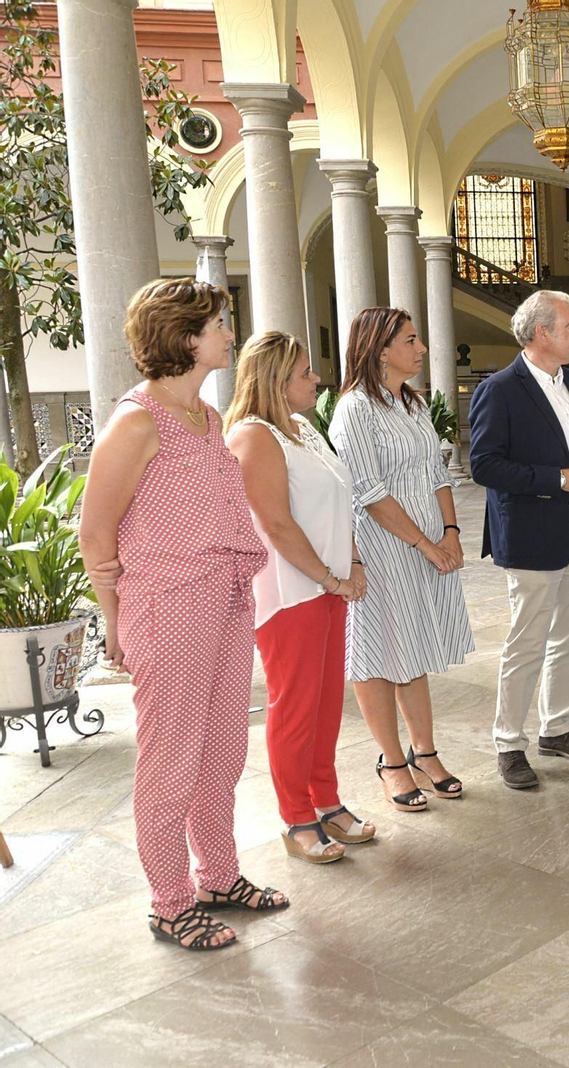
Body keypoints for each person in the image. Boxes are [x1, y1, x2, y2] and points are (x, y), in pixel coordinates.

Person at [79, 278, 283, 951]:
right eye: (221, 324)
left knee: (220, 752)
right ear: (187, 338)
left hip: (225, 596)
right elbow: (95, 532)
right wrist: (115, 622)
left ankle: (218, 878)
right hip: (167, 608)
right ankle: (169, 903)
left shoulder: (208, 416)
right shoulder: (137, 420)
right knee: (170, 763)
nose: (231, 333)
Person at [225, 331, 376, 864]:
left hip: (330, 584)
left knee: (327, 703)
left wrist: (352, 565)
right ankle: (296, 817)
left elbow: (342, 503)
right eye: (306, 373)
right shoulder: (253, 435)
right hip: (291, 591)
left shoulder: (304, 428)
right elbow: (277, 525)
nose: (317, 379)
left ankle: (327, 801)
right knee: (294, 707)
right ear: (274, 380)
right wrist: (330, 579)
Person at [329, 308, 473, 810]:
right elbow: (367, 491)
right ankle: (391, 760)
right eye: (411, 340)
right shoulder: (354, 409)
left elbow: (438, 471)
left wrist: (450, 532)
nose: (422, 348)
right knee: (377, 650)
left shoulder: (411, 404)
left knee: (411, 646)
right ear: (381, 348)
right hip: (383, 546)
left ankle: (425, 752)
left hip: (427, 542)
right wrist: (425, 544)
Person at [469, 290, 569, 789]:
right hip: (531, 532)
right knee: (527, 641)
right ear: (542, 332)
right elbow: (484, 466)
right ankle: (509, 742)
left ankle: (558, 727)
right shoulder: (500, 389)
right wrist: (558, 479)